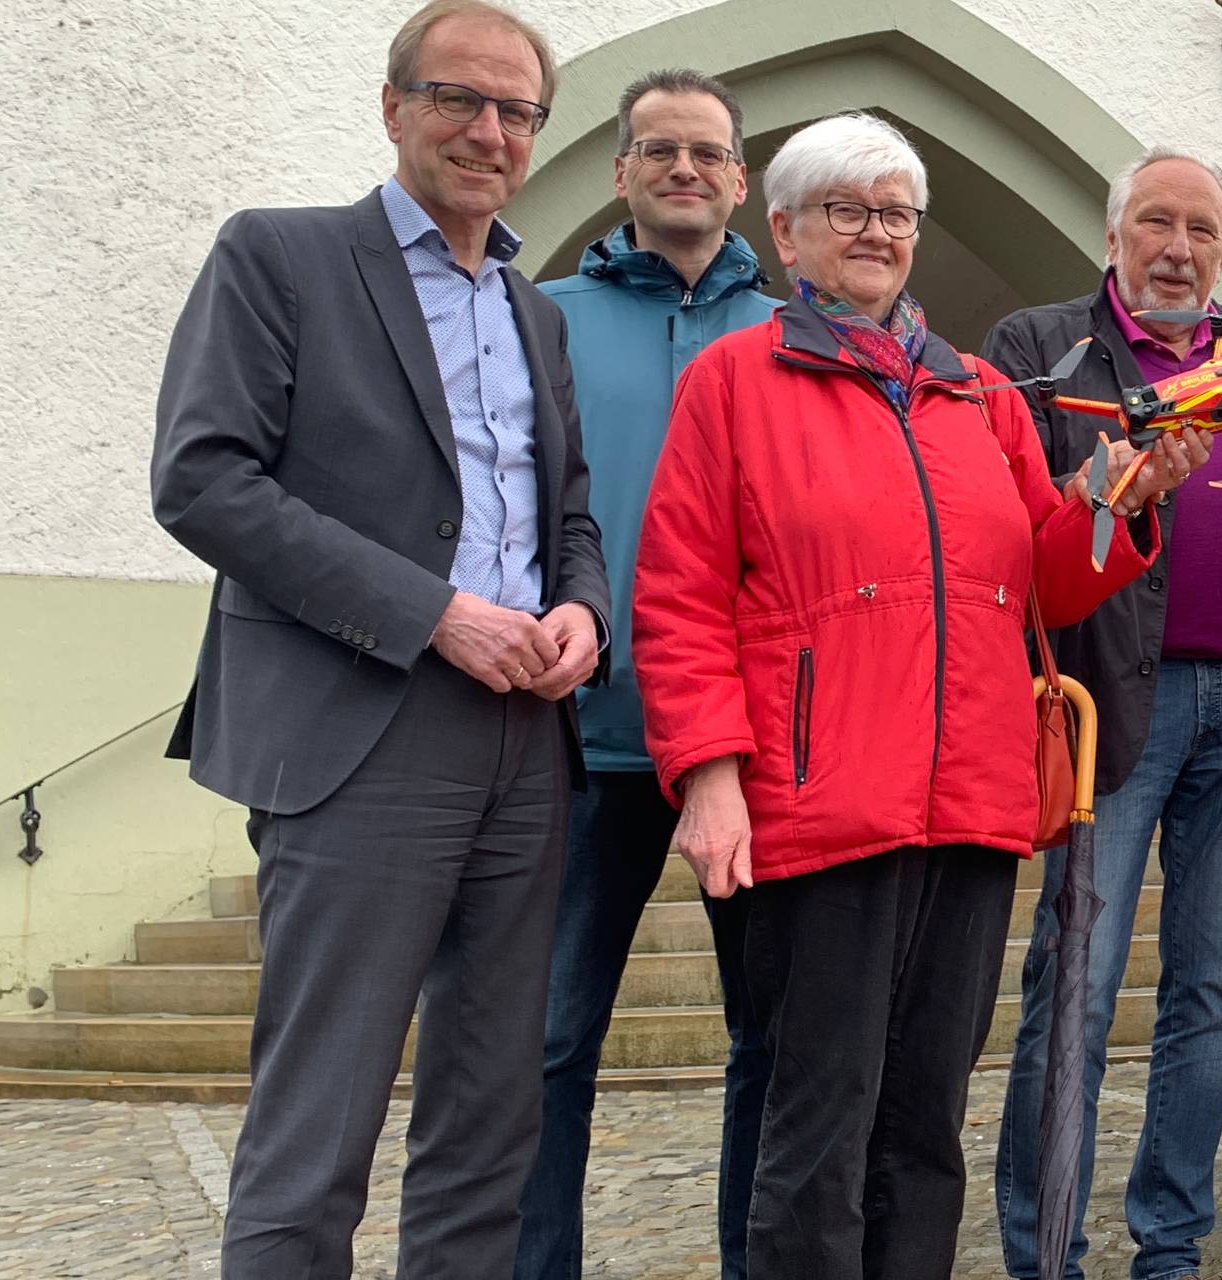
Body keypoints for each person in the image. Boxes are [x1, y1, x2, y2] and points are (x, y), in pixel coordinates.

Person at [630, 112, 1203, 1279]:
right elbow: (679, 595)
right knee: (818, 1118)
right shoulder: (734, 379)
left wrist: (1120, 501)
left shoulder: (979, 395)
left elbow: (1038, 580)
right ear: (783, 230)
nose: (876, 233)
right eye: (846, 208)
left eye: (894, 212)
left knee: (926, 1119)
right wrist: (709, 776)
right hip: (816, 798)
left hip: (970, 798)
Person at [148, 2, 605, 1273]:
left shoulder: (535, 311)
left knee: (488, 1119)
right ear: (393, 104)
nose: (488, 129)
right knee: (320, 1122)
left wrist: (584, 610)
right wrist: (433, 612)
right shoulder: (280, 257)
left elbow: (569, 511)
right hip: (363, 726)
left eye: (517, 110)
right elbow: (204, 479)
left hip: (526, 740)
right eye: (459, 97)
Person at [984, 147, 1222, 1280]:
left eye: (1201, 229)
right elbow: (1006, 518)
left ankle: (1169, 1245)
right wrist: (1099, 491)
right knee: (1075, 981)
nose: (1178, 248)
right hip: (1112, 697)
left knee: (1211, 984)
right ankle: (1044, 1250)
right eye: (1156, 223)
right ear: (1110, 235)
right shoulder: (1037, 347)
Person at [513, 68, 780, 1280]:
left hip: (754, 745)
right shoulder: (541, 316)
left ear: (740, 180)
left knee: (769, 1043)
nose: (683, 167)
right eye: (657, 149)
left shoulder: (791, 335)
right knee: (547, 1043)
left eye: (706, 152)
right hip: (578, 737)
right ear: (621, 171)